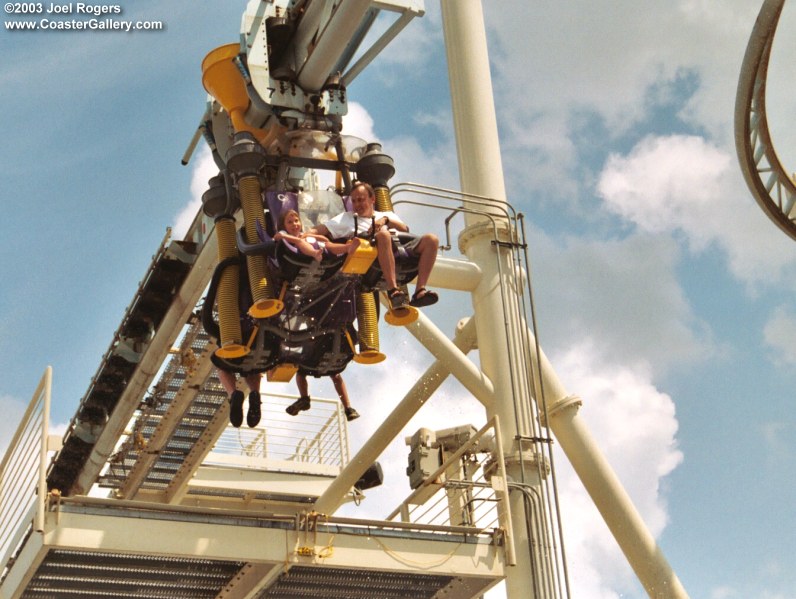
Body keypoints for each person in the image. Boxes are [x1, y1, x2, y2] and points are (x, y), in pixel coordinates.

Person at [309, 182, 439, 309]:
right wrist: (304, 234)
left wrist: (385, 221)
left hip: (400, 246)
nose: (356, 205)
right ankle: (393, 289)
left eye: (360, 200)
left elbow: (404, 229)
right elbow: (323, 228)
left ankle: (419, 291)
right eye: (353, 201)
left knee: (431, 239)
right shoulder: (346, 218)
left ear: (372, 199)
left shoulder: (387, 215)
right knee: (383, 235)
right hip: (372, 254)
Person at [274, 209, 359, 262]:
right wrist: (290, 238)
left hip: (319, 249)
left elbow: (321, 238)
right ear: (283, 226)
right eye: (290, 222)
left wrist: (323, 239)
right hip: (302, 253)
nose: (294, 224)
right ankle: (314, 253)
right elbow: (277, 237)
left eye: (296, 221)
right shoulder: (285, 233)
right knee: (300, 241)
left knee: (329, 245)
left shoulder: (302, 234)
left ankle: (348, 248)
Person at [286, 371, 360, 421]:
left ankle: (304, 398)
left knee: (300, 373)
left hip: (311, 359)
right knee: (336, 376)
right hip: (331, 358)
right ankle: (348, 408)